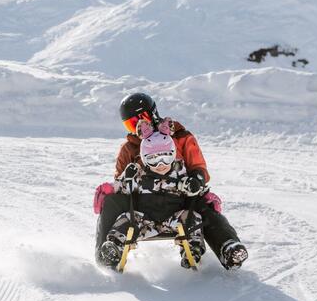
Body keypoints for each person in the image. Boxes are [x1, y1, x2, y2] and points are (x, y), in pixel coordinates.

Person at [94, 92, 248, 269]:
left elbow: (199, 166)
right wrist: (118, 184)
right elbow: (122, 181)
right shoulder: (129, 148)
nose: (138, 126)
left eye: (141, 118)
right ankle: (106, 254)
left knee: (204, 204)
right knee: (112, 201)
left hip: (180, 200)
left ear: (153, 113)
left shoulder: (181, 137)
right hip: (142, 206)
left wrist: (196, 179)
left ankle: (228, 247)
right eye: (131, 124)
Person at [97, 122, 207, 269]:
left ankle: (193, 250)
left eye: (166, 158)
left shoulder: (180, 174)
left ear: (173, 155)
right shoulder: (139, 174)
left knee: (192, 217)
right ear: (144, 158)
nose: (160, 164)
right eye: (153, 159)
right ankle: (114, 248)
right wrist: (126, 177)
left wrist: (196, 186)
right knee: (126, 220)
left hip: (173, 219)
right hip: (144, 221)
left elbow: (195, 190)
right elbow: (122, 189)